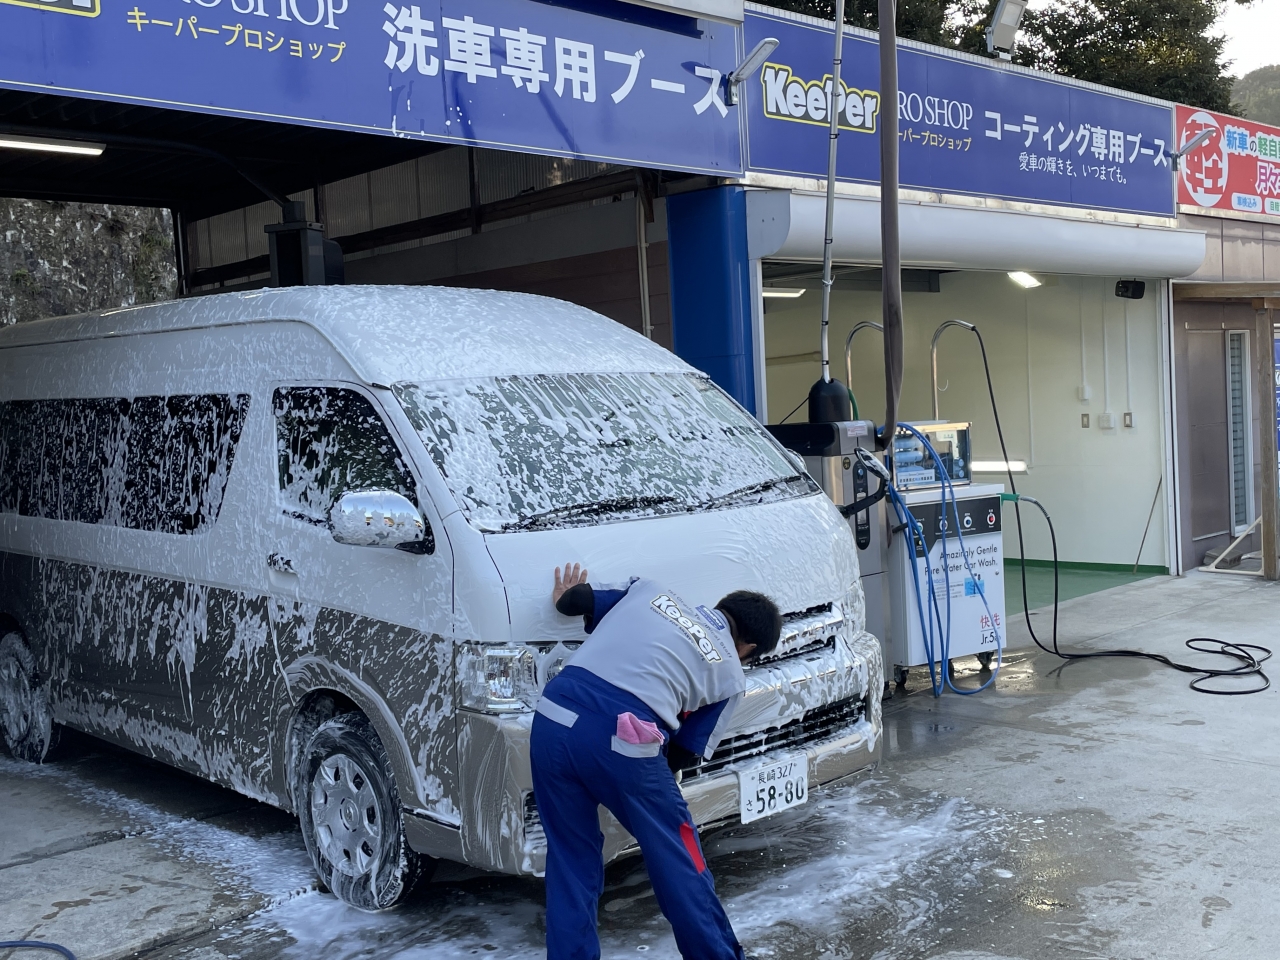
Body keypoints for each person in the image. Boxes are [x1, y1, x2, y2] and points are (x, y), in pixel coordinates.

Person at [530, 562, 783, 960]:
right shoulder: (731, 673)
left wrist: (565, 598)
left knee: (570, 857)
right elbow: (682, 754)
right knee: (679, 857)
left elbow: (577, 601)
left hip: (553, 716)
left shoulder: (650, 591)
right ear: (748, 648)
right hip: (623, 738)